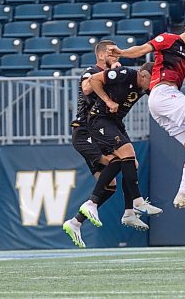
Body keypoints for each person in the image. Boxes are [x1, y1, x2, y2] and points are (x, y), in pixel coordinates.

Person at [107, 21, 185, 214]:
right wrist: (122, 52)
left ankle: (183, 193)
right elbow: (142, 49)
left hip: (164, 104)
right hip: (163, 92)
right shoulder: (169, 39)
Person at [78, 62, 163, 231]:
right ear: (143, 74)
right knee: (127, 152)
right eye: (151, 80)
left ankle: (128, 212)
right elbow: (94, 80)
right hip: (99, 119)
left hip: (115, 123)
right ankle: (138, 202)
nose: (152, 85)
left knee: (130, 162)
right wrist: (108, 101)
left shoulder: (146, 86)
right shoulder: (125, 73)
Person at [63, 40, 121, 248]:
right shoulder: (91, 71)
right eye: (113, 54)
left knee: (111, 185)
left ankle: (75, 222)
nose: (117, 57)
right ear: (101, 54)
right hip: (84, 131)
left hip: (99, 132)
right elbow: (87, 88)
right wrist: (108, 74)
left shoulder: (114, 73)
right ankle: (90, 204)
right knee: (117, 161)